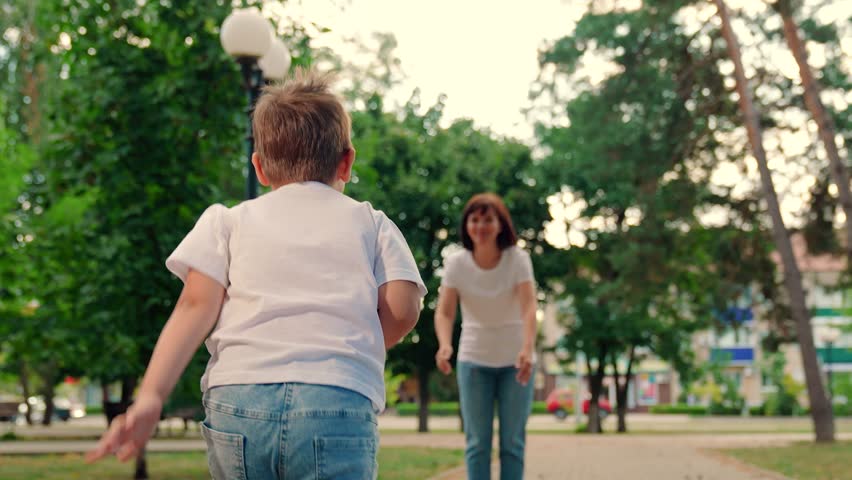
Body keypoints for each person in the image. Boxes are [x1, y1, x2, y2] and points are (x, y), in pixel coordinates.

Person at [86, 68, 427, 480]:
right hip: (335, 398)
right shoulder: (371, 223)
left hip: (238, 402)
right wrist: (362, 343)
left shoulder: (227, 222)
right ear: (347, 161)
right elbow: (403, 307)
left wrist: (150, 398)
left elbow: (194, 307)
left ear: (260, 168)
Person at [434, 193, 538, 480]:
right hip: (474, 361)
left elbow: (530, 306)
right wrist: (445, 345)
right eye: (475, 219)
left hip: (517, 362)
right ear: (466, 225)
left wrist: (528, 348)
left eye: (488, 219)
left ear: (501, 224)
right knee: (477, 444)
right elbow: (444, 312)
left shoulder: (518, 259)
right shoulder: (456, 263)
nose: (480, 226)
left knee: (512, 445)